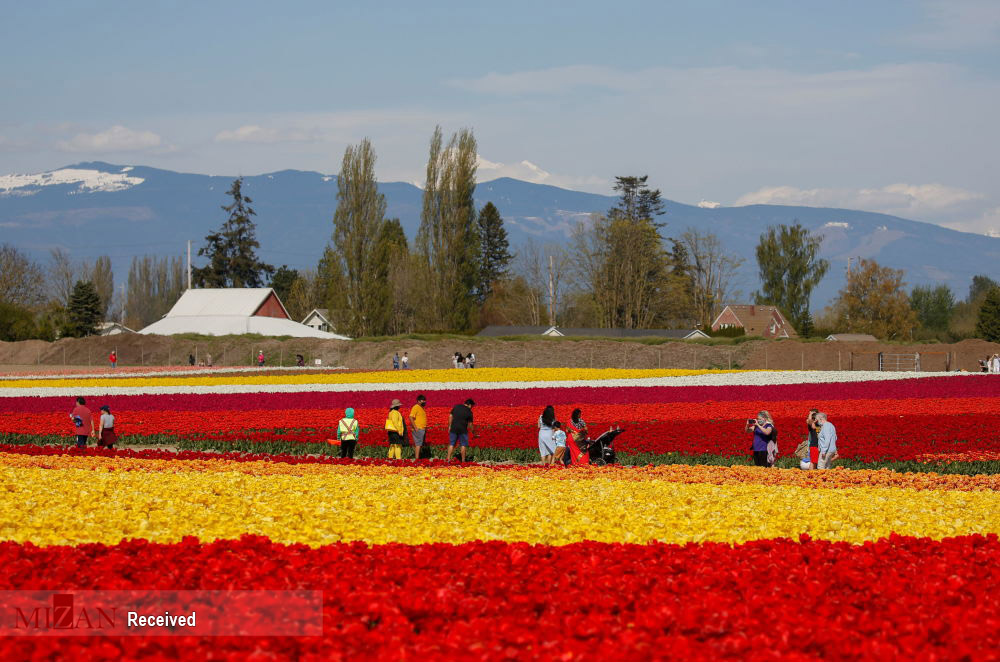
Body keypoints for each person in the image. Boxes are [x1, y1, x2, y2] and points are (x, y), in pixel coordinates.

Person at [409, 394, 427, 460]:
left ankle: (419, 457)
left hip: (422, 428)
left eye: (425, 400)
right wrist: (415, 427)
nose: (424, 402)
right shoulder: (416, 407)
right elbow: (410, 417)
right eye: (423, 400)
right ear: (418, 401)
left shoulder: (422, 408)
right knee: (418, 444)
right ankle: (417, 458)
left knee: (420, 444)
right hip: (418, 428)